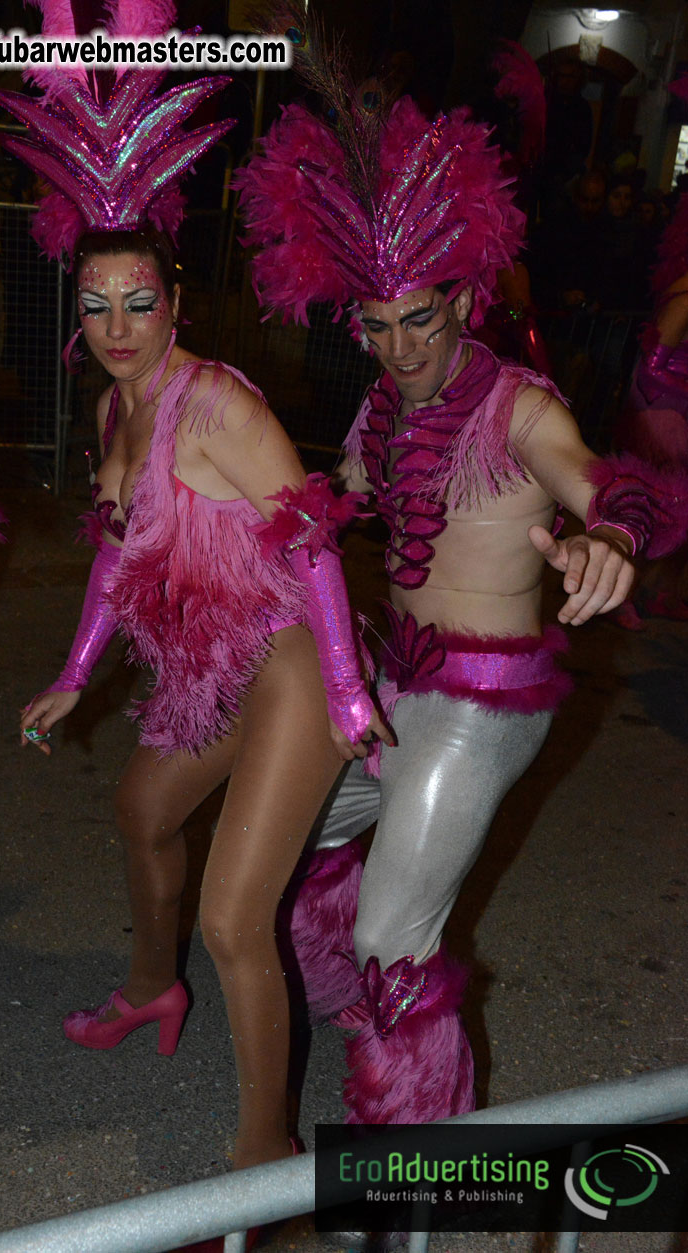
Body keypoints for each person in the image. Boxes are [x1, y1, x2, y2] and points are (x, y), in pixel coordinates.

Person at [237, 51, 688, 1124]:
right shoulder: (381, 408)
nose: (398, 351)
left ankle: (411, 1196)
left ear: (465, 298)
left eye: (421, 322)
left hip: (478, 708)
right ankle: (365, 1067)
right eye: (377, 326)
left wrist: (608, 541)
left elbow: (606, 486)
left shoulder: (518, 408)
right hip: (391, 692)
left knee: (394, 942)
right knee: (292, 853)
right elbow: (331, 497)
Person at [0, 0, 389, 1177]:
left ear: (179, 306)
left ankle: (265, 1150)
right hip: (217, 661)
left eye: (140, 303)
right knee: (140, 811)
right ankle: (153, 990)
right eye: (96, 305)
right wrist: (71, 675)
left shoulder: (215, 402)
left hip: (296, 657)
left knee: (233, 913)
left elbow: (313, 542)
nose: (116, 326)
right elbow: (116, 551)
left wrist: (351, 691)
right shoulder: (117, 404)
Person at [613, 190, 688, 626]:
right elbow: (653, 363)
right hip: (661, 415)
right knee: (652, 508)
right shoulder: (685, 296)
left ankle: (660, 592)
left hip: (673, 413)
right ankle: (622, 595)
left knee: (677, 513)